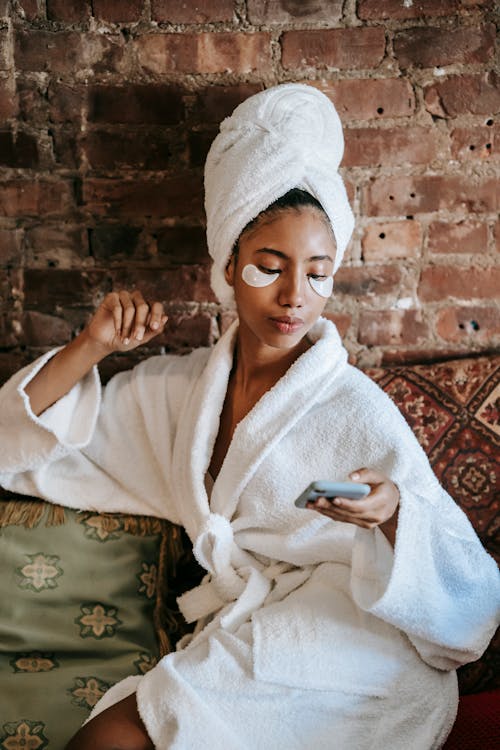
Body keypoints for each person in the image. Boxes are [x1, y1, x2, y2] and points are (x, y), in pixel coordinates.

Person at [0, 84, 498, 750]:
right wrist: (91, 347)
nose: (296, 296)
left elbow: (469, 591)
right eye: (270, 267)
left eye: (318, 273)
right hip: (251, 635)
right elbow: (26, 443)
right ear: (229, 266)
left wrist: (393, 513)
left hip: (352, 638)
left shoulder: (351, 406)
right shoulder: (177, 394)